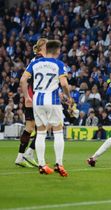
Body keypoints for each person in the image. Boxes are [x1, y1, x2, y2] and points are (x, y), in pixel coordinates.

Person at [20, 40, 71, 176]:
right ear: (57, 51)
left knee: (41, 132)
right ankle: (59, 164)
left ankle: (42, 165)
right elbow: (64, 84)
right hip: (52, 100)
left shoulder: (35, 63)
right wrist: (68, 96)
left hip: (38, 99)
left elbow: (23, 80)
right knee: (58, 131)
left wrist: (27, 97)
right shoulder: (59, 64)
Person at [15, 38, 47, 168]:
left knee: (30, 127)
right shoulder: (41, 61)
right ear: (42, 47)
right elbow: (24, 80)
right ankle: (29, 153)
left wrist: (27, 97)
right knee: (45, 126)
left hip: (32, 97)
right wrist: (28, 97)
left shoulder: (35, 60)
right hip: (36, 98)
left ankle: (20, 157)